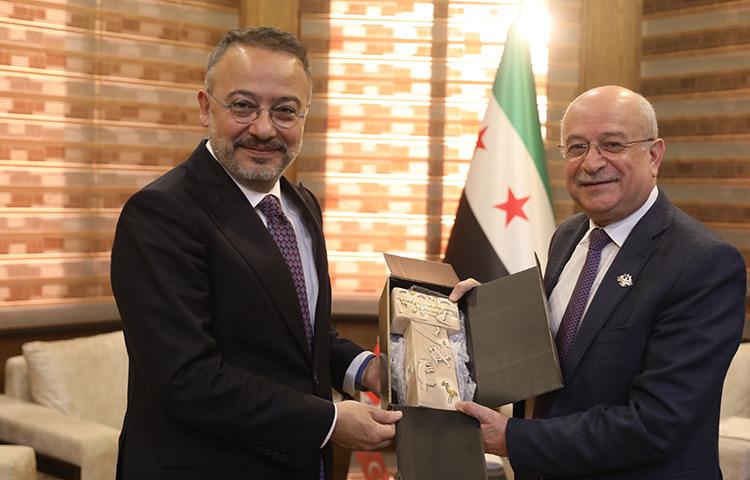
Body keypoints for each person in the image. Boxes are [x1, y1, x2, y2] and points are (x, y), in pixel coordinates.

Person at [110, 26, 401, 479]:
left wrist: (365, 370)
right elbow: (187, 379)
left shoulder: (301, 205)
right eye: (243, 106)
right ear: (205, 107)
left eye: (285, 110)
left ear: (305, 116)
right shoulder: (161, 214)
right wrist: (328, 421)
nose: (264, 129)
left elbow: (298, 333)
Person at [451, 85, 746, 479]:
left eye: (613, 144)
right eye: (577, 147)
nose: (591, 163)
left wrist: (514, 438)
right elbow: (558, 357)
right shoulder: (569, 235)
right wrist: (482, 316)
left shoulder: (704, 263)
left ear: (654, 155)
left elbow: (656, 423)